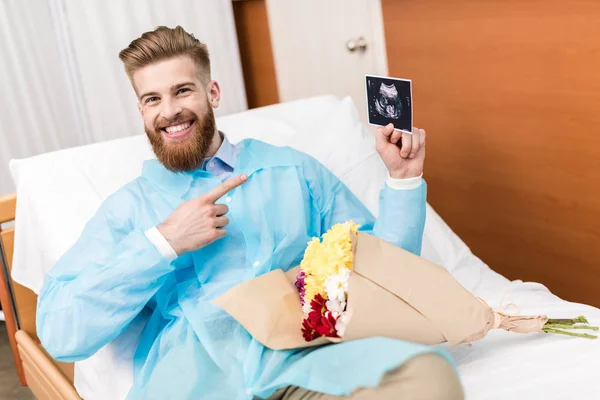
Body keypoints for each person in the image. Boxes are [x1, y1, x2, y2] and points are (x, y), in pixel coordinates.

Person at [36, 26, 464, 400]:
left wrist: (403, 180)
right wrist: (163, 242)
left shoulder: (293, 171)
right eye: (152, 99)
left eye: (182, 90)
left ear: (213, 92)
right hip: (200, 383)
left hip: (306, 364)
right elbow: (60, 332)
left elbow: (384, 274)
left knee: (428, 375)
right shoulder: (128, 208)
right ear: (142, 111)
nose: (169, 111)